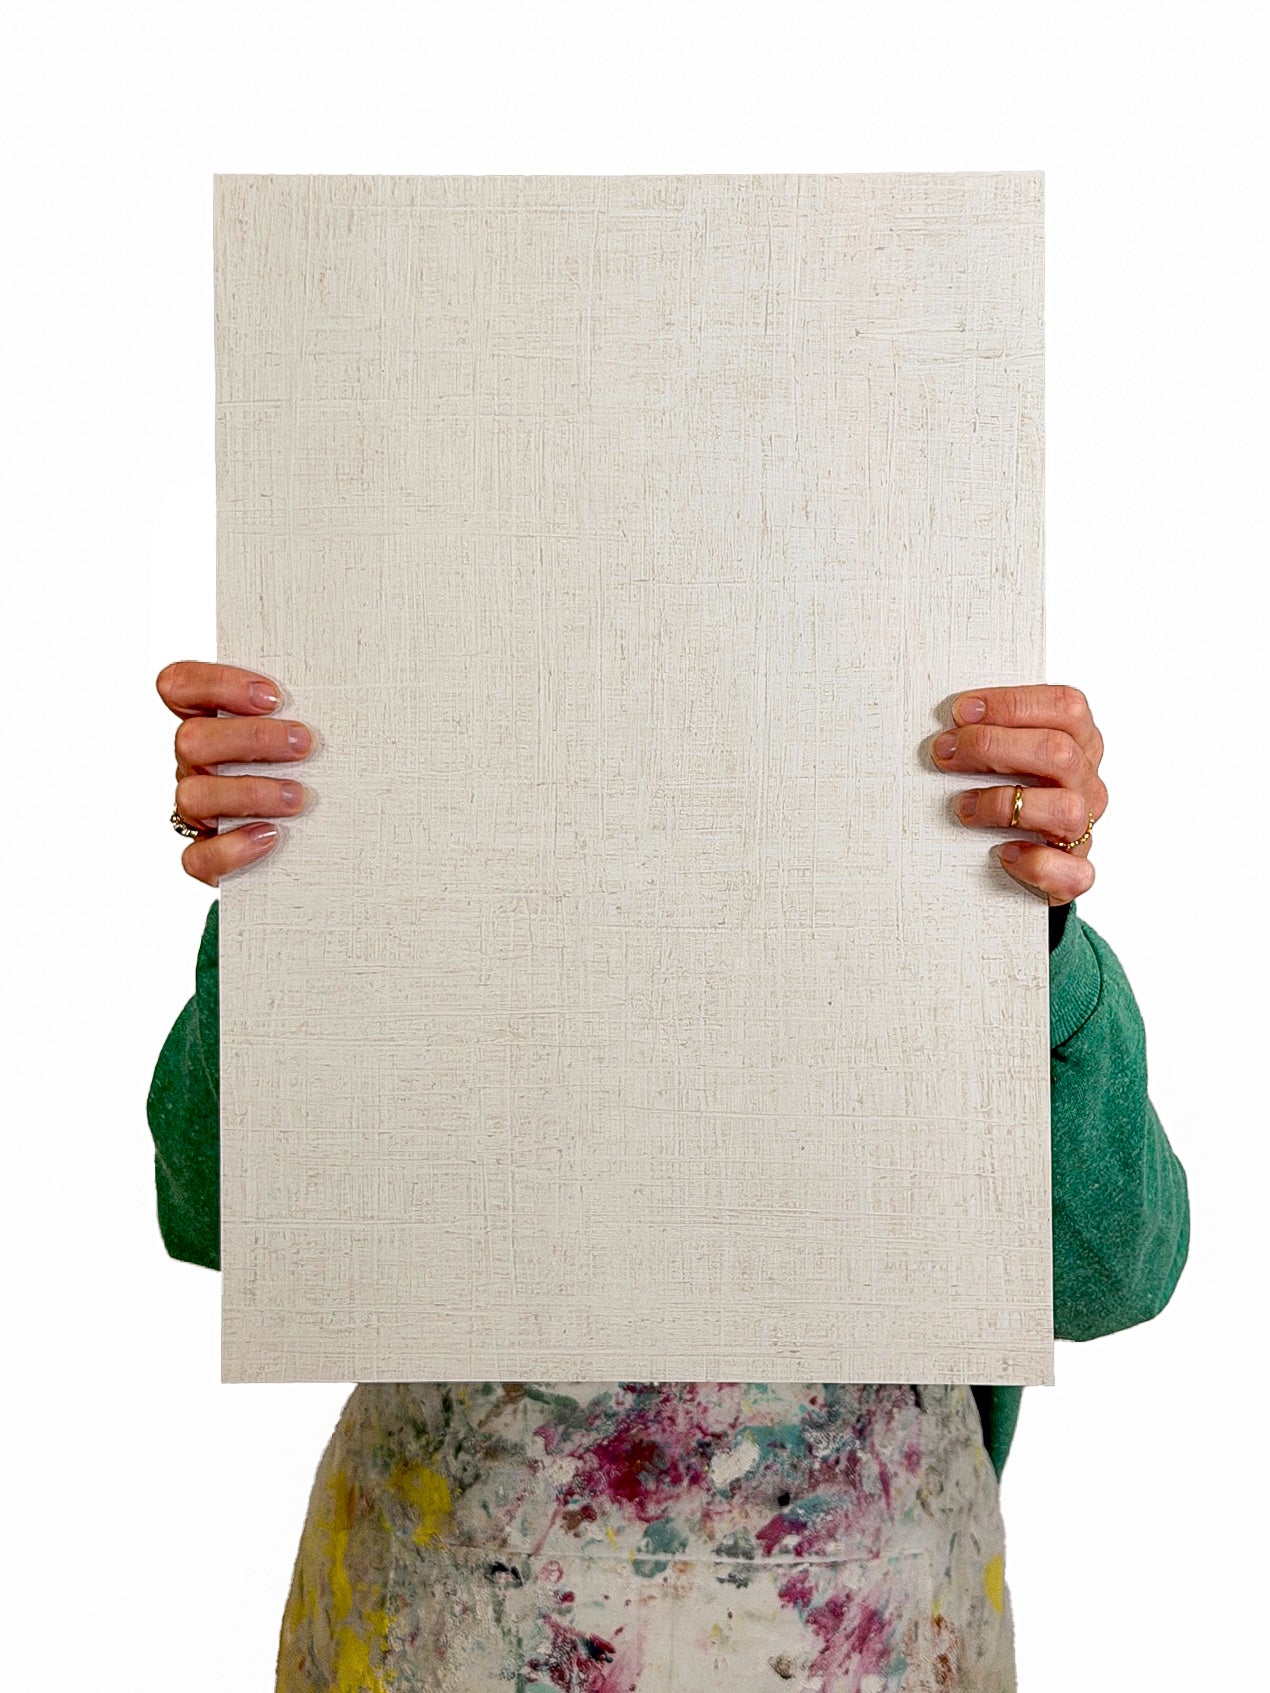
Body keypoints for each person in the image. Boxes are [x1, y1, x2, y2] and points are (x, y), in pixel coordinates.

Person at [147, 661, 1189, 1692]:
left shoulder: (922, 863)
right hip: (444, 1620)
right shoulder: (438, 856)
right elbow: (216, 1219)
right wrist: (283, 900)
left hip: (878, 1629)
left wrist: (1024, 936)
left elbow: (1110, 1276)